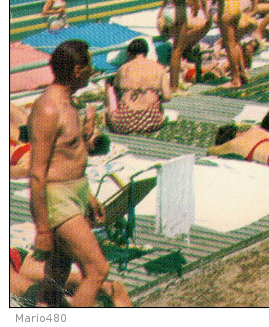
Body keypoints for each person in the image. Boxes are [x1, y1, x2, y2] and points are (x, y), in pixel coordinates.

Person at [28, 40, 110, 308]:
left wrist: (87, 195)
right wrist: (42, 229)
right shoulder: (49, 108)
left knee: (57, 274)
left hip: (73, 193)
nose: (93, 70)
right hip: (58, 199)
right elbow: (37, 173)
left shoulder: (68, 103)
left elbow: (68, 156)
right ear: (77, 70)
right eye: (90, 65)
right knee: (97, 270)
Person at [10, 246, 132, 307]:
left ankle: (60, 304)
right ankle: (107, 288)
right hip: (17, 255)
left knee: (18, 284)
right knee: (61, 277)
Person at [145, 0, 193, 93]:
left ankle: (174, 83)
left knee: (175, 48)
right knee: (177, 49)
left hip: (167, 10)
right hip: (178, 9)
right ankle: (174, 86)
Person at [105, 39, 171, 135]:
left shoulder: (123, 69)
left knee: (111, 89)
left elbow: (116, 91)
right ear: (146, 52)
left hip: (123, 122)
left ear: (129, 53)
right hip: (152, 121)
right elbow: (167, 96)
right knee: (157, 102)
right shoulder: (159, 68)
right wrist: (157, 99)